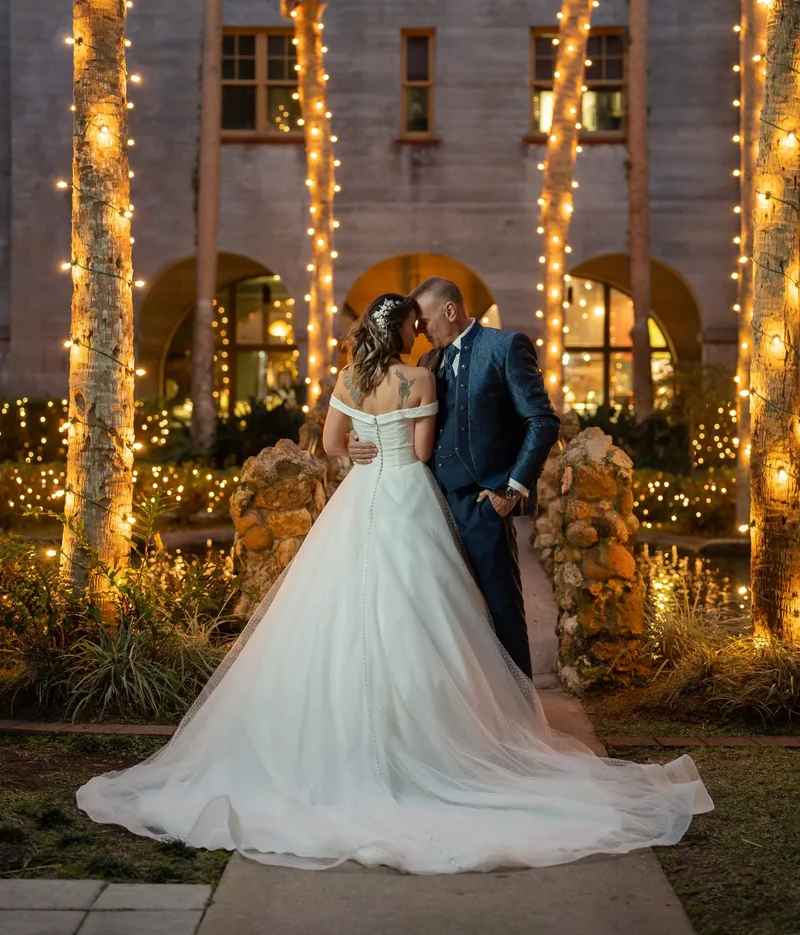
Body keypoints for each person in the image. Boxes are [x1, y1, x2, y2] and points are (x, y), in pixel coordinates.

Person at [76, 292, 712, 873]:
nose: (422, 329)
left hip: (359, 497)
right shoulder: (419, 375)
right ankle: (467, 732)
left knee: (339, 612)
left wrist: (356, 447)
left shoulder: (350, 377)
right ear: (405, 329)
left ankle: (343, 738)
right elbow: (426, 444)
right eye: (415, 322)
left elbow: (331, 445)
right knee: (428, 610)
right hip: (410, 494)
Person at [347, 277, 560, 678]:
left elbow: (542, 421)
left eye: (424, 321)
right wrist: (357, 437)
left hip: (484, 504)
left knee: (500, 608)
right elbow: (394, 413)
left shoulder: (505, 347)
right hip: (428, 507)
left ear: (449, 310)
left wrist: (511, 490)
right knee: (447, 616)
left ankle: (522, 714)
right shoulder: (427, 364)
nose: (421, 331)